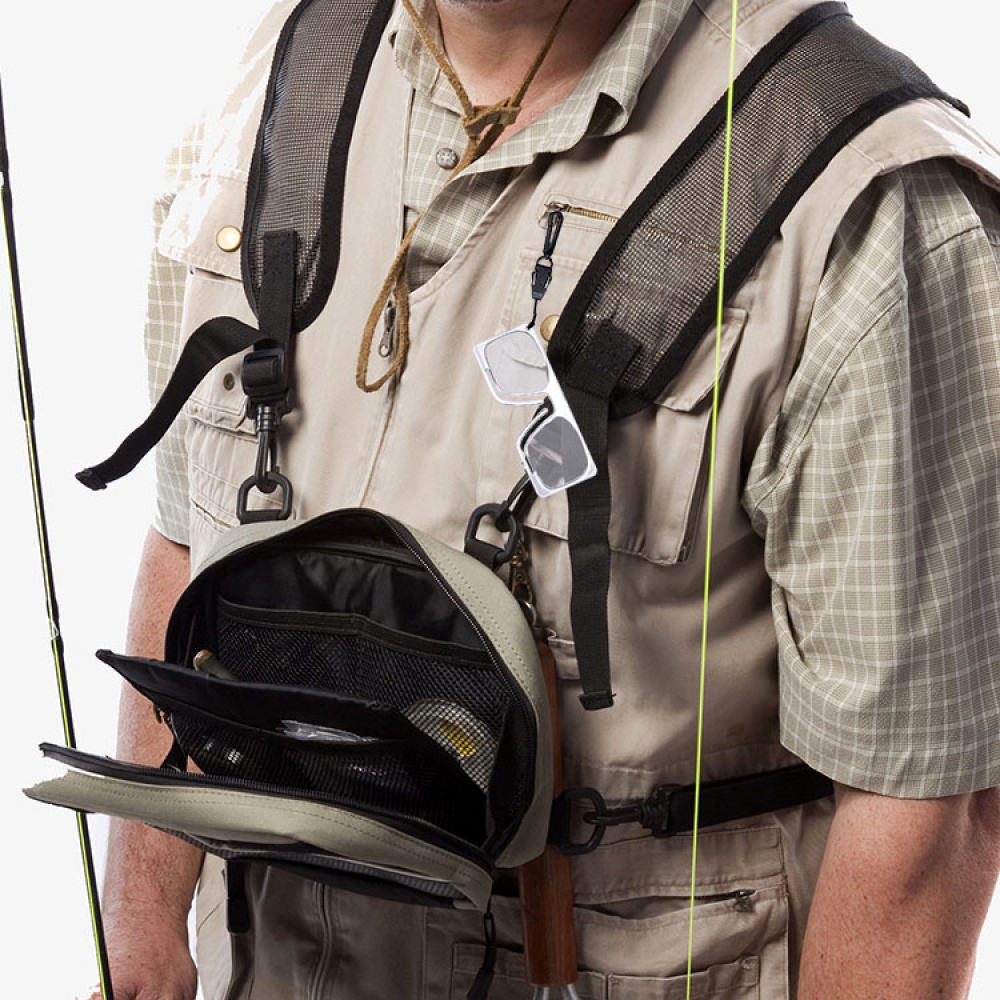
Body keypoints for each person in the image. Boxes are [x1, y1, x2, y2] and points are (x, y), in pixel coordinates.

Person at [101, 0, 1000, 997]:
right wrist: (140, 927)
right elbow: (192, 531)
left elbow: (925, 814)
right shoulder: (284, 71)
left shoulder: (870, 211)